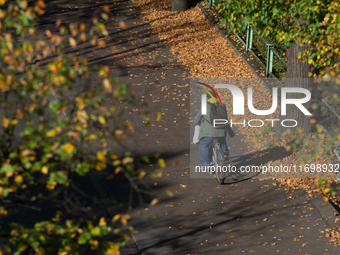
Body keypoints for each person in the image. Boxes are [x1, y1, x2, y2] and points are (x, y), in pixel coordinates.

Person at [194, 94, 230, 167]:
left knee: (204, 144)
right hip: (222, 130)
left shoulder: (205, 106)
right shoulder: (222, 105)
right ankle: (225, 154)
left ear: (207, 98)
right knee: (222, 139)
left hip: (209, 132)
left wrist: (198, 123)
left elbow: (197, 120)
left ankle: (205, 164)